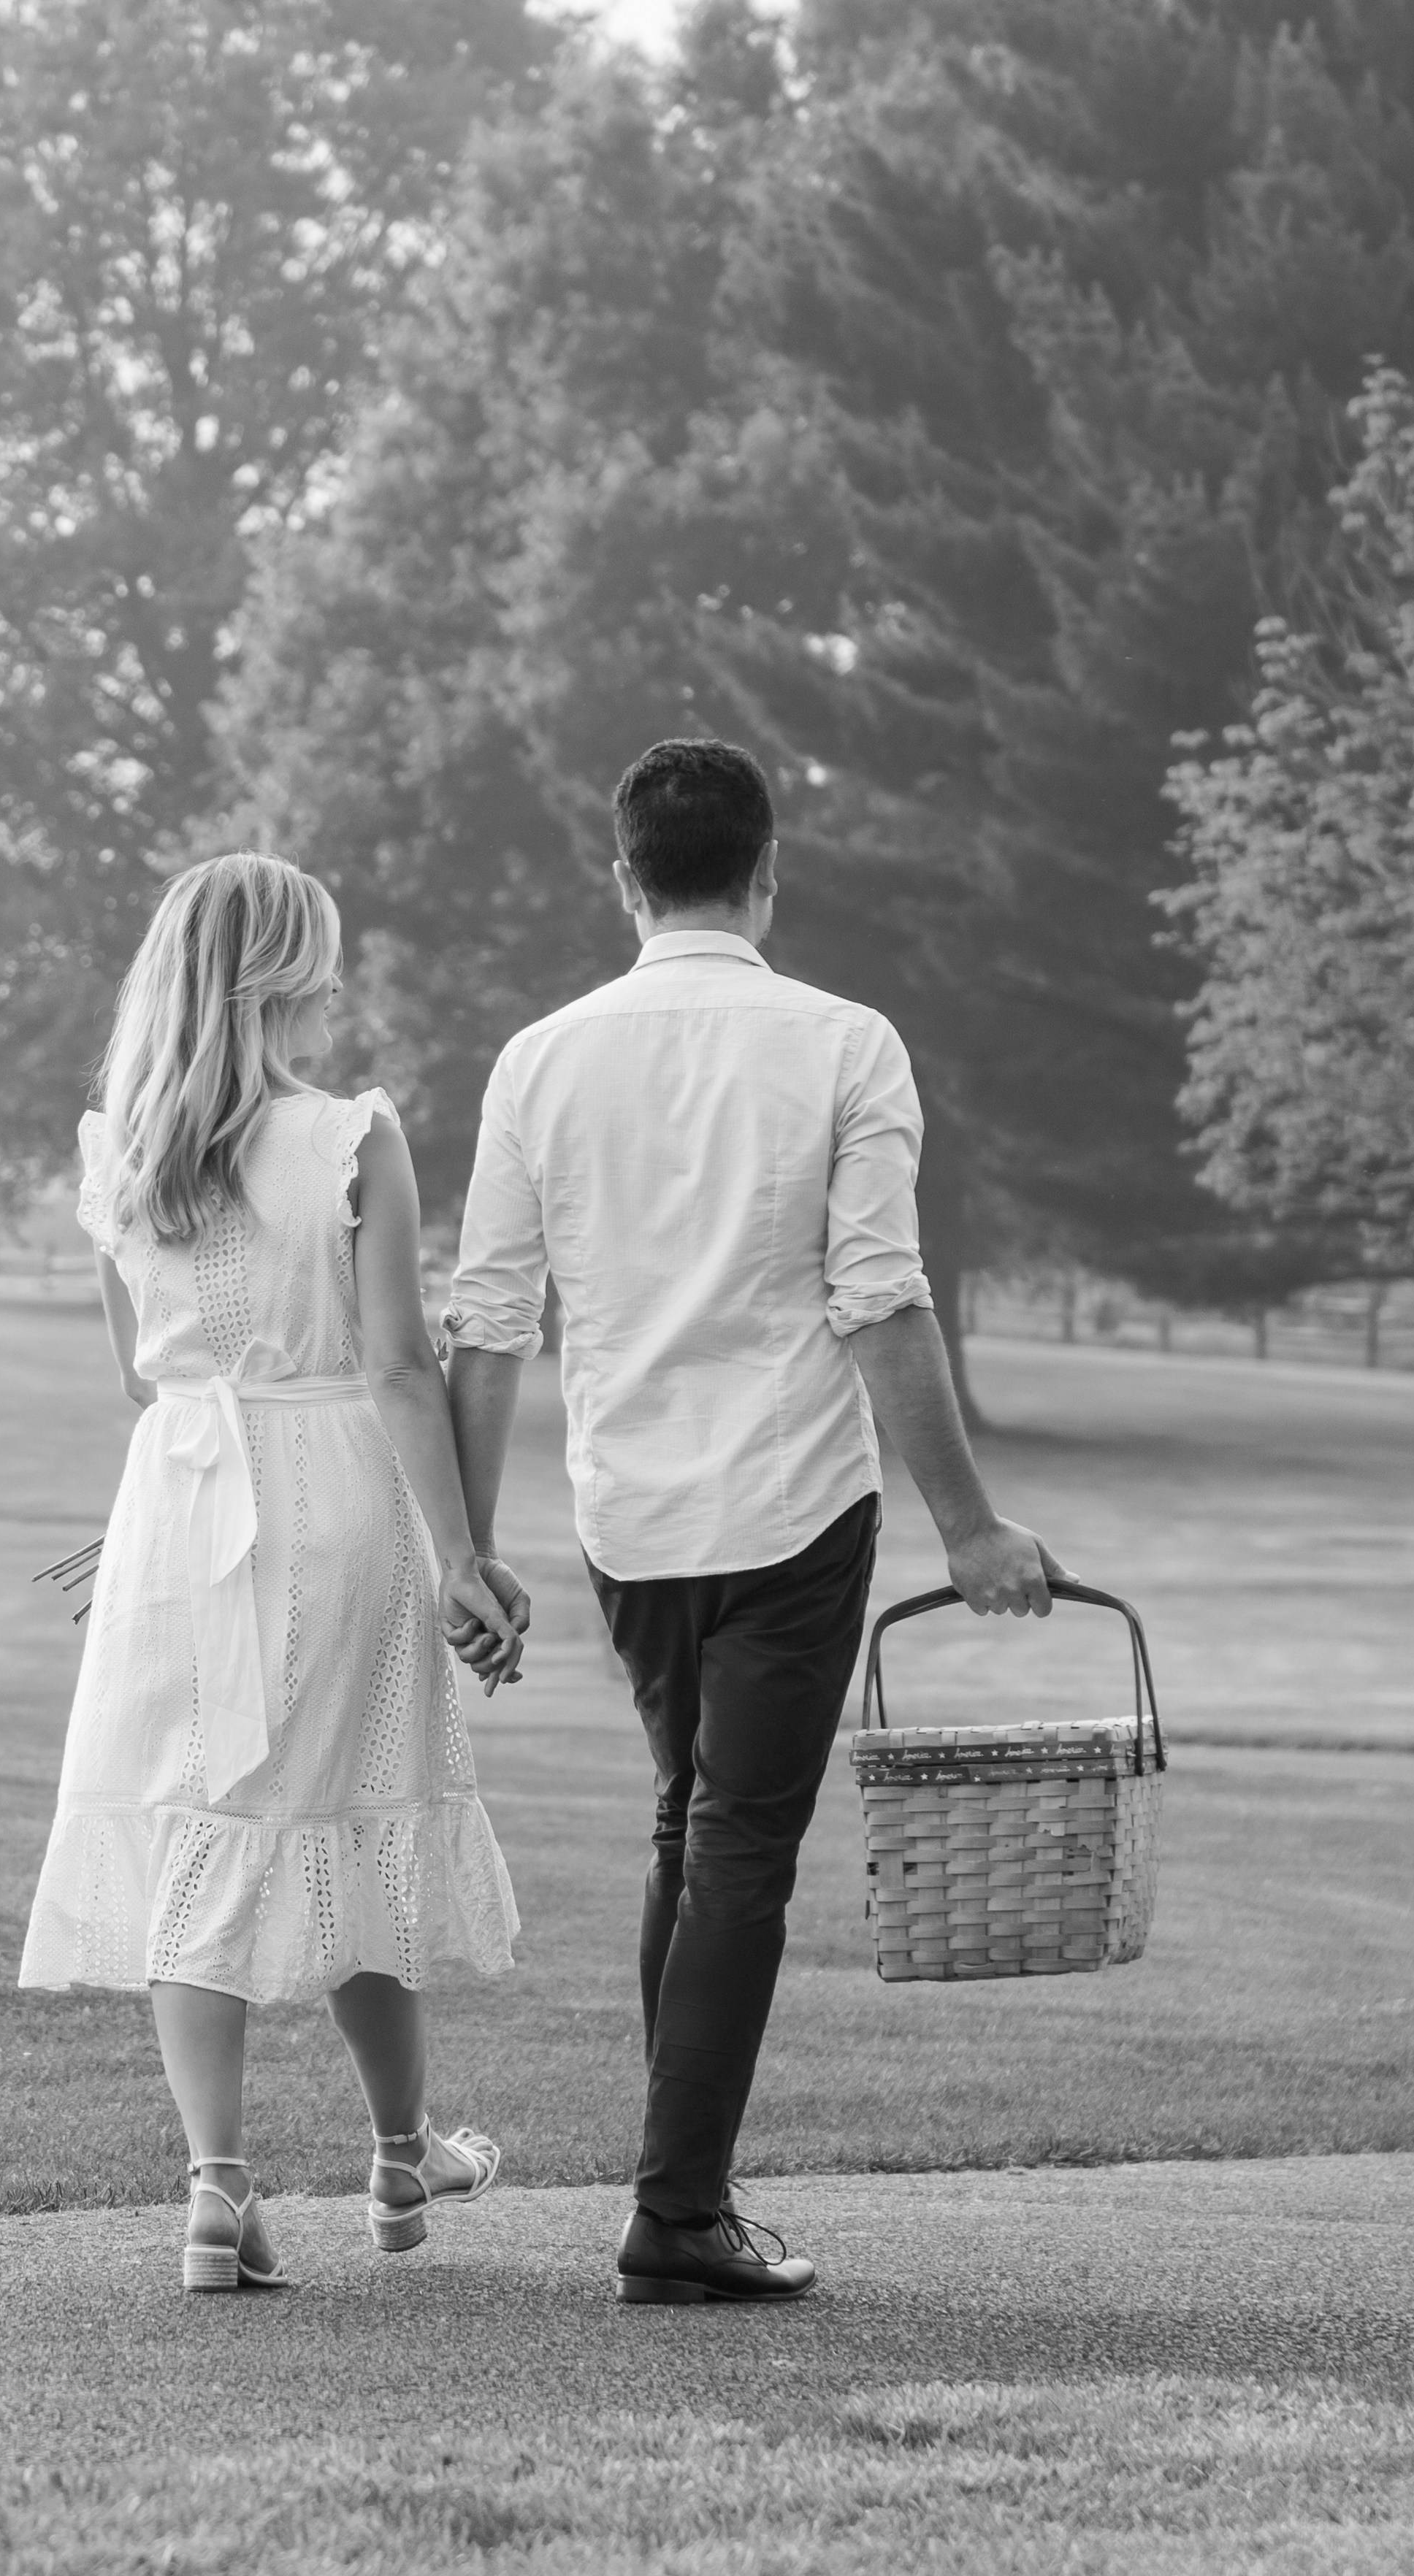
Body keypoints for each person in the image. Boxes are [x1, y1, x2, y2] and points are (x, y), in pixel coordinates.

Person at [441, 739, 1071, 2306]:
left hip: (631, 1516)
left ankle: (685, 2188)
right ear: (768, 870)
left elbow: (491, 1324)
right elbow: (880, 1298)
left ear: (625, 880)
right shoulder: (847, 1043)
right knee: (734, 1846)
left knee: (688, 1820)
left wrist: (468, 1550)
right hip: (794, 1509)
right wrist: (971, 1529)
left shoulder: (538, 1059)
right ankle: (675, 2215)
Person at [20, 851, 525, 2294]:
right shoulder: (351, 1138)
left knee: (202, 1817)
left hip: (179, 1503)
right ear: (286, 977)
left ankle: (217, 2190)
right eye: (327, 965)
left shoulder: (121, 1152)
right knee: (353, 1799)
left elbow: (141, 1375)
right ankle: (401, 2152)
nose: (340, 990)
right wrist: (465, 1557)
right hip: (334, 1491)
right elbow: (399, 1364)